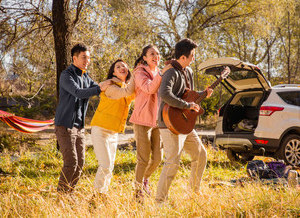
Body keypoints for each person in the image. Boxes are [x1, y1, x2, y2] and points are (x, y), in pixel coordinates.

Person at [155, 38, 229, 203]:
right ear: (183, 57)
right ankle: (160, 202)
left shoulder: (188, 72)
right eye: (192, 55)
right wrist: (187, 104)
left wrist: (204, 93)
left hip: (184, 123)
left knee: (201, 154)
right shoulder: (171, 72)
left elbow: (190, 96)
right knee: (172, 163)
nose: (194, 58)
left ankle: (193, 193)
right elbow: (165, 95)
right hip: (169, 124)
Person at [54, 43, 110, 194]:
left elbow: (98, 89)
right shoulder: (66, 75)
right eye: (84, 57)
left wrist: (112, 85)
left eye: (89, 57)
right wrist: (99, 88)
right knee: (71, 163)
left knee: (80, 165)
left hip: (79, 128)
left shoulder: (85, 76)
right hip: (65, 126)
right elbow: (78, 92)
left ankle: (69, 194)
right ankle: (61, 196)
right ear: (74, 58)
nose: (88, 60)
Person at [129, 44, 171, 199]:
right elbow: (149, 88)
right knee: (143, 159)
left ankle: (144, 179)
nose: (156, 56)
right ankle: (138, 191)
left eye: (158, 54)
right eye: (152, 54)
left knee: (158, 158)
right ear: (144, 57)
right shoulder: (139, 73)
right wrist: (161, 74)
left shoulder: (160, 73)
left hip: (158, 121)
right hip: (142, 121)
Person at [90, 59, 135, 195]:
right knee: (105, 165)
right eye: (118, 66)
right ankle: (96, 195)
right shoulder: (110, 87)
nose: (122, 68)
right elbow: (128, 91)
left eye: (125, 66)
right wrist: (136, 76)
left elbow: (138, 92)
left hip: (113, 133)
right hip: (100, 130)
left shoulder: (125, 87)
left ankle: (103, 194)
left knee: (110, 166)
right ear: (113, 72)